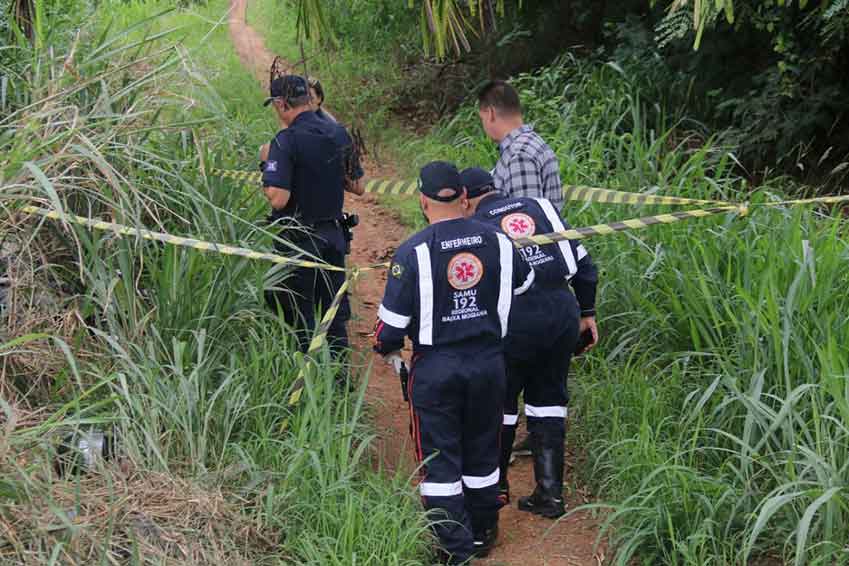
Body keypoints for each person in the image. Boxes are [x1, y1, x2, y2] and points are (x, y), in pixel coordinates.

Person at [373, 161, 535, 564]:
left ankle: (453, 549)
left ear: (422, 201)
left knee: (439, 459)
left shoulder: (413, 251)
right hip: (490, 364)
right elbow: (525, 282)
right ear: (464, 198)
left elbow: (389, 329)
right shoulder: (499, 241)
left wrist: (388, 349)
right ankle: (482, 531)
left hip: (436, 369)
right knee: (483, 451)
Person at [461, 167, 598, 518]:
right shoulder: (540, 207)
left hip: (514, 319)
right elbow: (585, 265)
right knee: (550, 400)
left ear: (465, 199)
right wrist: (587, 313)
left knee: (501, 401)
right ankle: (550, 495)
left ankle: (495, 488)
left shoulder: (475, 226)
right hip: (561, 312)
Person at [260, 74, 364, 353]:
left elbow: (278, 199)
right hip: (333, 237)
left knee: (298, 315)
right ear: (308, 99)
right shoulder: (338, 133)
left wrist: (266, 165)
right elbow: (358, 186)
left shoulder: (285, 140)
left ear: (281, 104)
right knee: (334, 316)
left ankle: (303, 372)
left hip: (298, 240)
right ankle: (339, 375)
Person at [477, 80, 565, 212]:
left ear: (490, 113)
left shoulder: (519, 155)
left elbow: (528, 217)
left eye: (482, 119)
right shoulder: (532, 142)